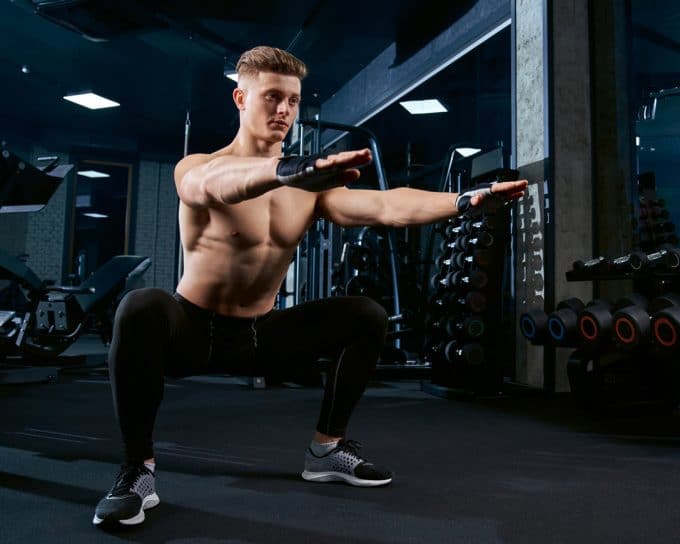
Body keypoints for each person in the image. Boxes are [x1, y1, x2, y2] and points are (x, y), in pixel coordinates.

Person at [93, 45, 527, 528]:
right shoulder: (199, 166)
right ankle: (138, 471)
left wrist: (462, 200)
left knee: (365, 315)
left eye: (293, 100)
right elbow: (213, 185)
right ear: (241, 98)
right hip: (191, 331)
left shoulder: (310, 187)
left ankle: (326, 450)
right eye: (272, 97)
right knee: (139, 306)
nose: (284, 110)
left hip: (259, 335)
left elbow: (385, 206)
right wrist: (283, 171)